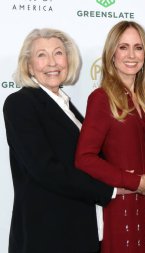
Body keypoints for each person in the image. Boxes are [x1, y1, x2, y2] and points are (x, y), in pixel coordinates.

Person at [2, 28, 120, 253]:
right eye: (41, 55)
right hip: (47, 236)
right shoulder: (20, 104)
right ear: (28, 65)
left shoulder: (66, 105)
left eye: (58, 53)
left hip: (79, 232)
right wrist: (110, 191)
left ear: (68, 59)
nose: (52, 62)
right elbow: (45, 169)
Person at [75, 21, 145, 253]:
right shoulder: (102, 97)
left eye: (138, 47)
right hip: (124, 207)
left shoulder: (144, 100)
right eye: (123, 47)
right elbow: (84, 158)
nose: (132, 55)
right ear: (111, 54)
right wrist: (133, 181)